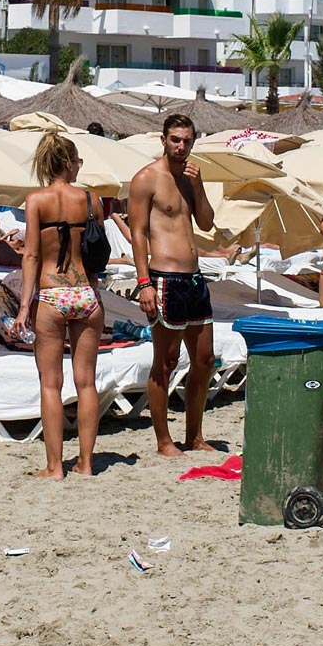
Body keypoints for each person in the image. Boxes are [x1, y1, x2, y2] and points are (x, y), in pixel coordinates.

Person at [128, 113, 217, 456]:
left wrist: (198, 185)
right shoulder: (146, 178)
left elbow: (207, 223)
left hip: (195, 278)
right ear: (163, 140)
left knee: (205, 359)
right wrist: (143, 283)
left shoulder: (190, 178)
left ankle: (194, 435)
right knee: (165, 361)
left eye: (188, 141)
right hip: (164, 278)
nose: (182, 146)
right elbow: (137, 233)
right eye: (175, 140)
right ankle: (164, 440)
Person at [18, 132, 104, 478]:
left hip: (52, 294)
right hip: (86, 292)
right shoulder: (90, 200)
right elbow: (97, 251)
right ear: (70, 164)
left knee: (50, 383)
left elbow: (32, 255)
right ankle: (85, 463)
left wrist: (25, 306)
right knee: (86, 383)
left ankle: (55, 466)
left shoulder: (37, 200)